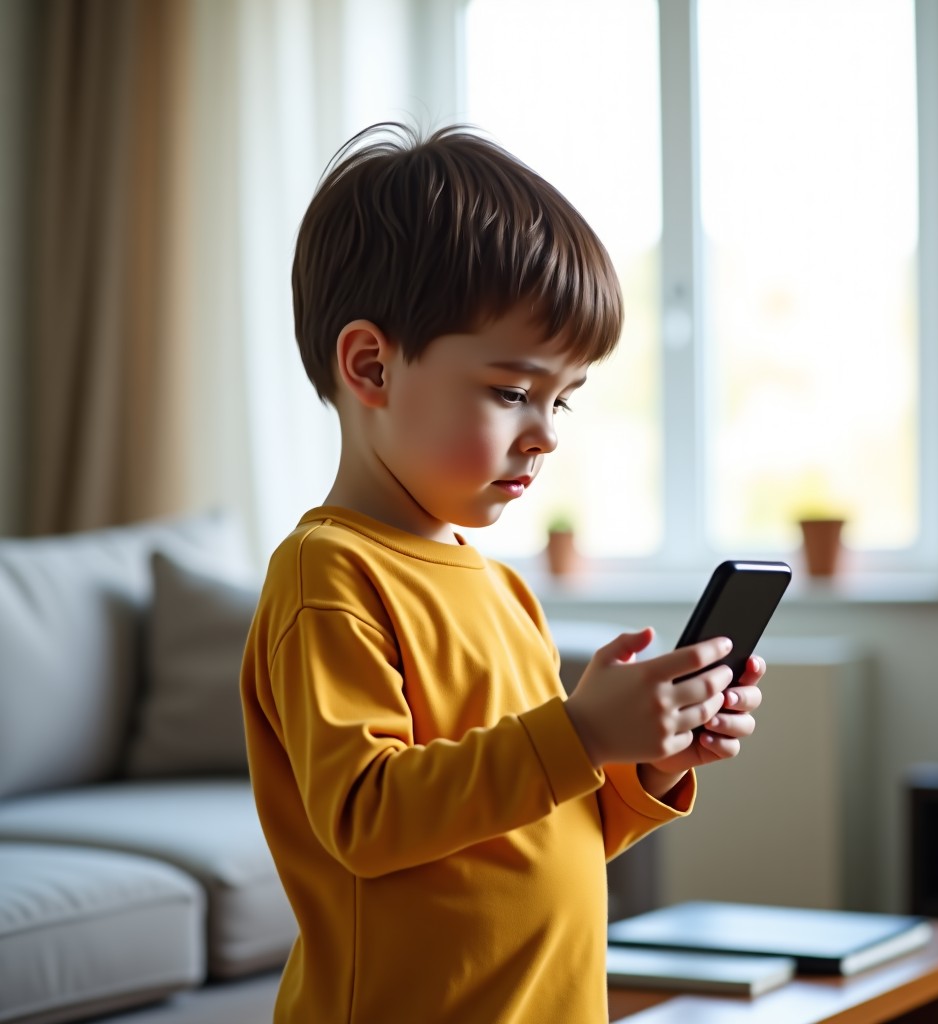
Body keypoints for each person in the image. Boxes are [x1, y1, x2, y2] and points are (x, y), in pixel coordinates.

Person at [239, 122, 766, 1024]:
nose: (548, 431)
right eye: (512, 391)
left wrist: (642, 764)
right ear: (372, 366)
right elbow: (368, 819)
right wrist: (579, 735)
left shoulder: (500, 586)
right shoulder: (328, 576)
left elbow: (533, 831)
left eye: (563, 399)